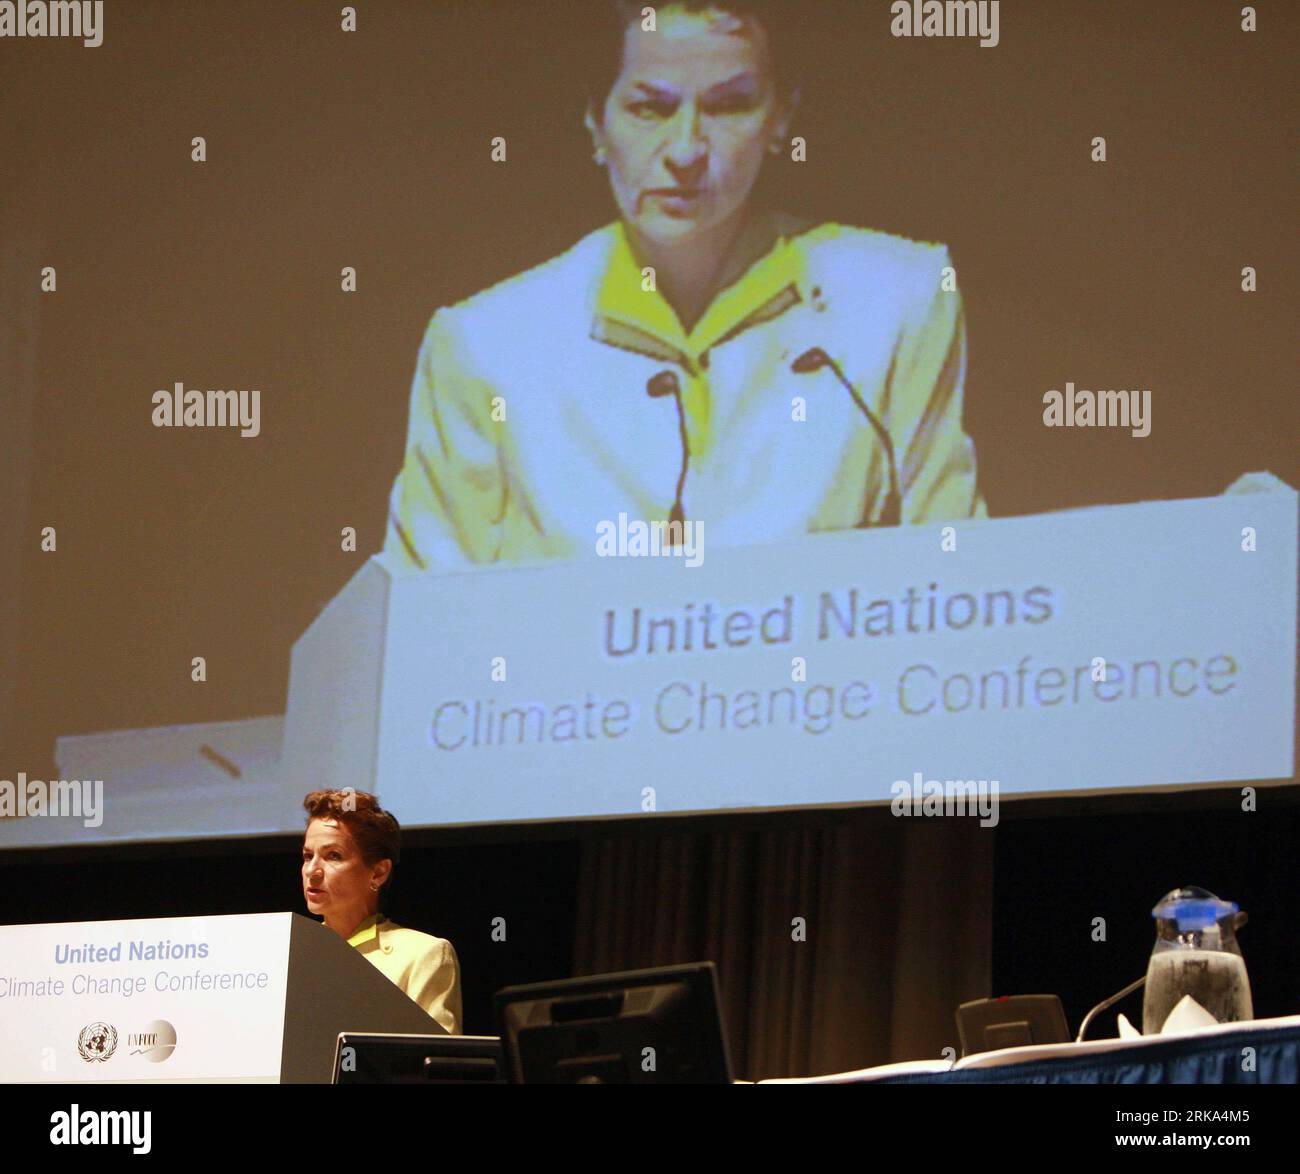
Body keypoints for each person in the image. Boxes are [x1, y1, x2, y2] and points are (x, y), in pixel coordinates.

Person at [386, 0, 986, 571]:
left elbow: (959, 583)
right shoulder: (485, 344)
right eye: (651, 108)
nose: (686, 150)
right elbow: (418, 625)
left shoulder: (898, 299)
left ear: (781, 117)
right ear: (596, 121)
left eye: (728, 107)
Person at [301, 789, 462, 1034]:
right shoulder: (291, 953)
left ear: (378, 873)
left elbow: (438, 1064)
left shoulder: (422, 955)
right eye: (307, 856)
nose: (313, 871)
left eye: (333, 856)